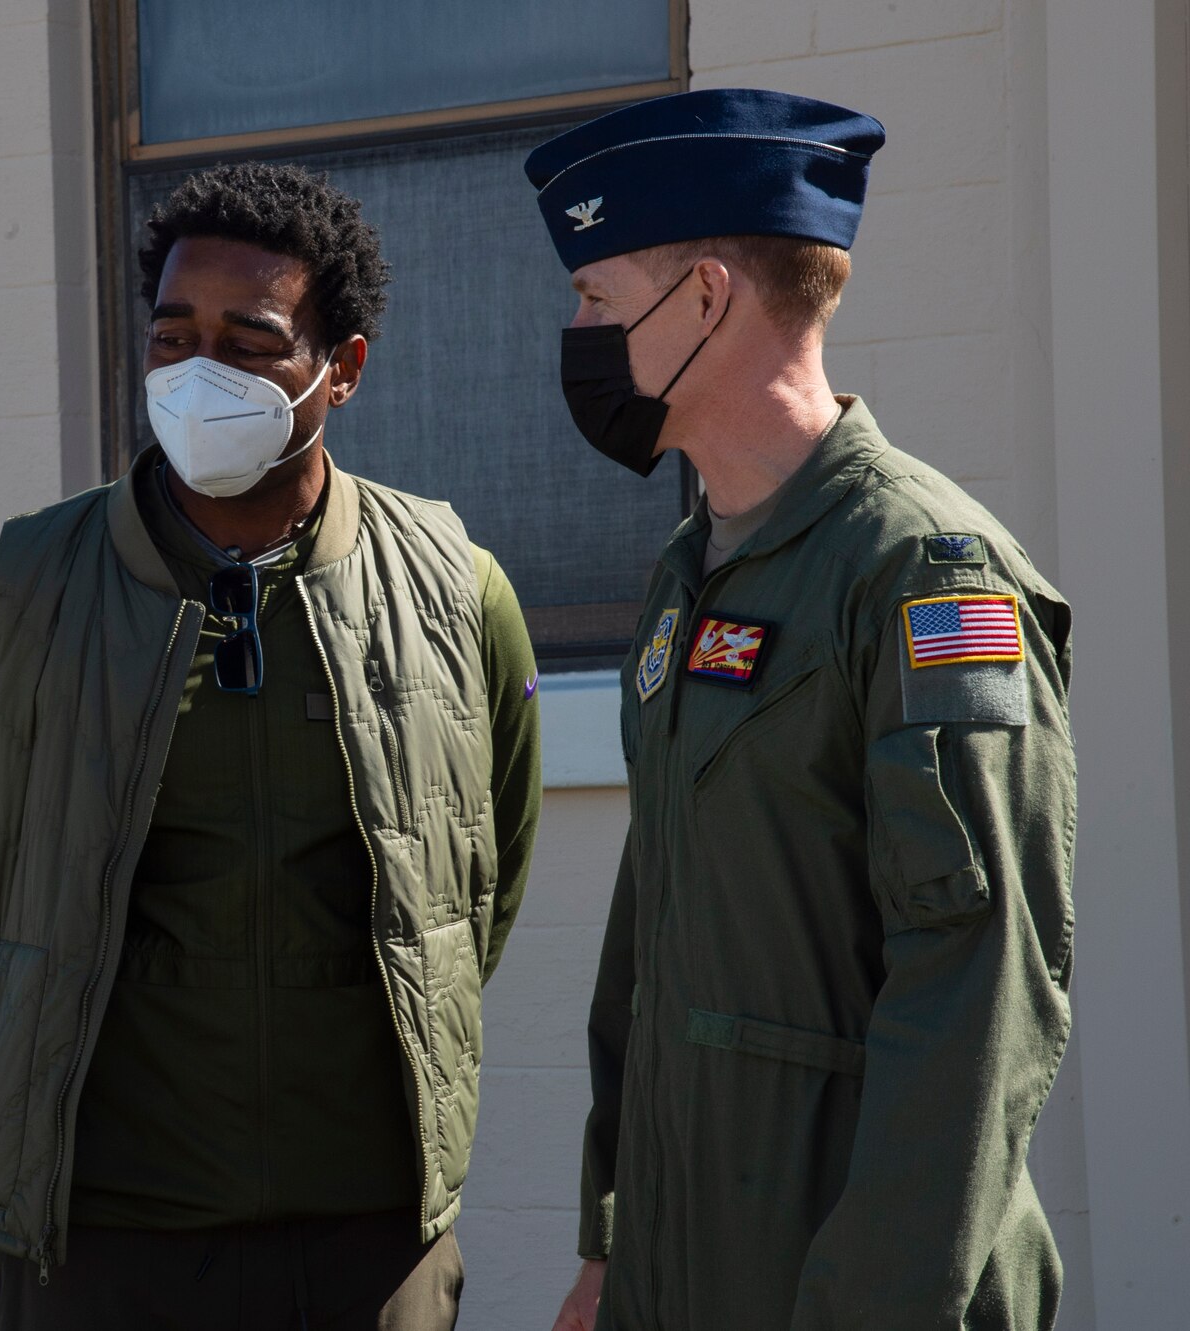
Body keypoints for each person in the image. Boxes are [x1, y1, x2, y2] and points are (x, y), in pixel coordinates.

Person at [0, 164, 542, 1329]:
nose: (197, 371)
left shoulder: (455, 588)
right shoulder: (18, 592)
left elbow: (477, 881)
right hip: (101, 1231)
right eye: (171, 335)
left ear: (340, 369)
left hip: (366, 1233)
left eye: (248, 343)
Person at [522, 91, 1077, 1330]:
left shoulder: (923, 572)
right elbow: (653, 925)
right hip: (685, 1268)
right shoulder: (686, 573)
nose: (576, 332)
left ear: (705, 296)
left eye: (596, 300)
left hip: (850, 1283)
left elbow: (978, 988)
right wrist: (612, 1242)